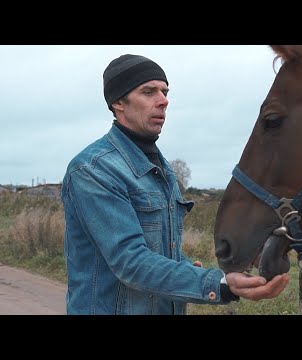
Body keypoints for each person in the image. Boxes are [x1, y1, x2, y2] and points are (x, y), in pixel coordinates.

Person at [61, 54, 289, 315]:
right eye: (149, 92)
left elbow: (157, 253)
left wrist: (193, 271)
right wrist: (222, 284)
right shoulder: (94, 170)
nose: (163, 100)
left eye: (165, 91)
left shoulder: (161, 169)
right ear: (118, 102)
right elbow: (131, 262)